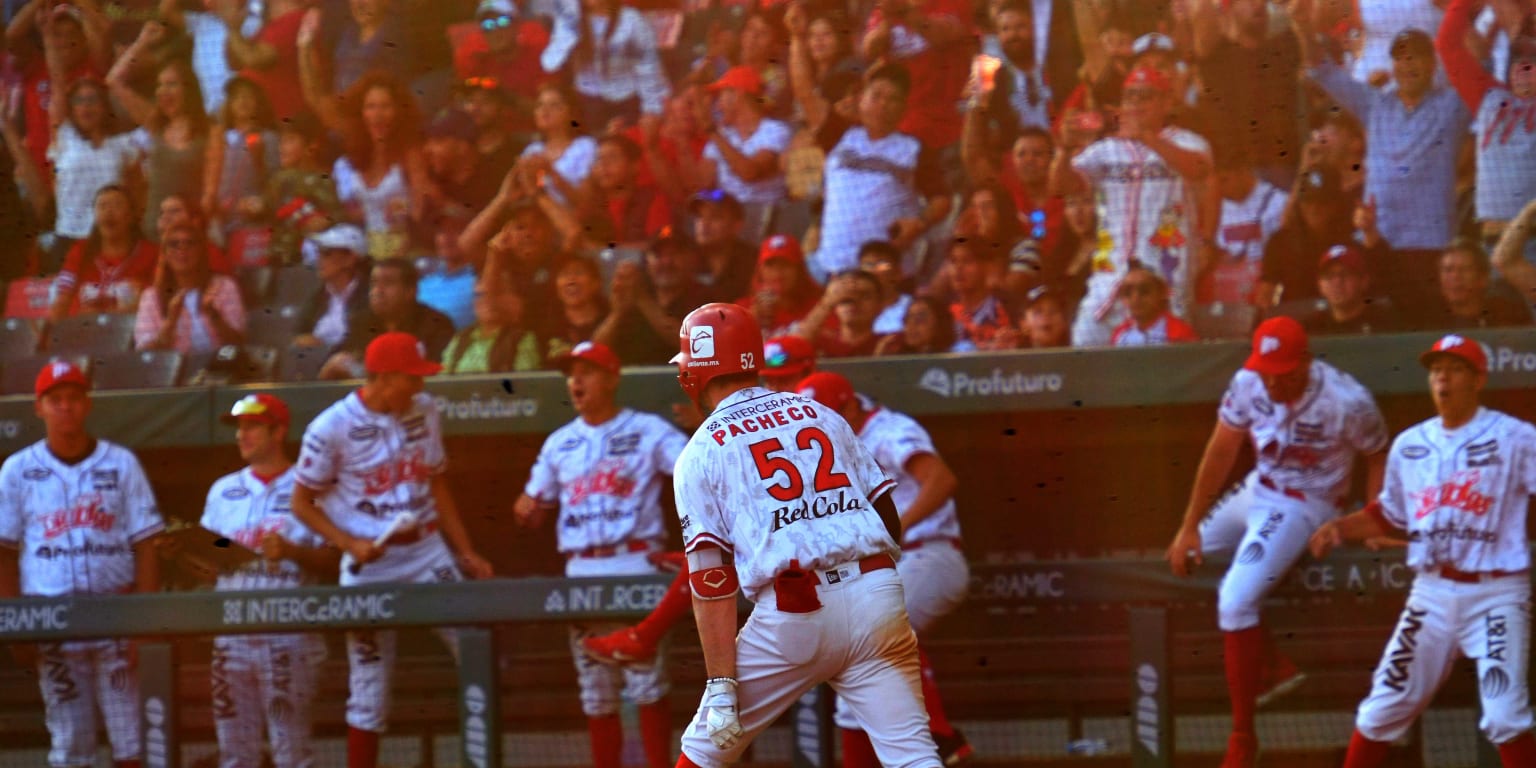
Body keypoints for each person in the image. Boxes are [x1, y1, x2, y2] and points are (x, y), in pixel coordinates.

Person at [667, 301, 941, 768]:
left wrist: (721, 683)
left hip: (796, 613)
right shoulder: (821, 414)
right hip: (878, 596)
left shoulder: (700, 450)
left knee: (702, 756)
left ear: (700, 368)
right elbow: (887, 518)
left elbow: (711, 581)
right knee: (914, 757)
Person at [1165, 316, 1389, 768]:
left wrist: (1372, 519)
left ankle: (1243, 736)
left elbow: (1377, 453)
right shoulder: (1249, 381)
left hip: (1307, 503)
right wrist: (1188, 524)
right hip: (1259, 486)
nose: (1272, 381)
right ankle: (1271, 664)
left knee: (1233, 601)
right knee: (1188, 556)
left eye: (1283, 372)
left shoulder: (1347, 399)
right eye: (1267, 370)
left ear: (1304, 362)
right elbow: (1222, 448)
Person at [1309, 334, 1536, 766]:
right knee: (1383, 706)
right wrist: (1340, 526)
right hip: (1431, 593)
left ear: (1478, 379)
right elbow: (1391, 515)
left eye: (1454, 370)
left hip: (1497, 593)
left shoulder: (1515, 438)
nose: (1442, 379)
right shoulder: (1409, 445)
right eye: (1435, 371)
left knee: (1505, 714)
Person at [290, 332, 493, 768]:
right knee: (368, 688)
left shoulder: (425, 409)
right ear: (382, 377)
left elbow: (437, 481)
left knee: (475, 646)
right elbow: (300, 502)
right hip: (371, 563)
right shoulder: (330, 427)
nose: (420, 386)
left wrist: (466, 550)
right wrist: (347, 542)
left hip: (426, 551)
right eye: (411, 378)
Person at [513, 341, 687, 768]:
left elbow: (692, 468)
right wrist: (526, 508)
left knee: (646, 681)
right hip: (582, 566)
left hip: (634, 560)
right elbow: (531, 507)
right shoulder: (559, 443)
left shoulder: (646, 429)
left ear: (611, 378)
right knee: (595, 688)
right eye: (572, 373)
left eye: (587, 371)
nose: (576, 380)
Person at [795, 371, 973, 767]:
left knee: (872, 629)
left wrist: (895, 528)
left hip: (929, 554)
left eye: (829, 415)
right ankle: (934, 742)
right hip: (884, 567)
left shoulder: (889, 428)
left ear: (851, 406)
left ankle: (941, 736)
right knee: (855, 672)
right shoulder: (827, 444)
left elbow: (941, 480)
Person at [0, 360, 164, 768]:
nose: (65, 407)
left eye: (73, 398)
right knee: (72, 747)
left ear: (87, 404)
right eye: (55, 400)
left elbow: (147, 544)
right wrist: (14, 623)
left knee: (132, 742)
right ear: (38, 408)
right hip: (54, 625)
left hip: (118, 622)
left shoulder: (121, 463)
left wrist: (142, 624)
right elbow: (3, 553)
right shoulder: (17, 471)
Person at [201, 393, 336, 768]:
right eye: (239, 427)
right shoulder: (221, 491)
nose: (242, 435)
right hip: (232, 636)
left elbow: (335, 558)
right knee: (234, 754)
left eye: (252, 427)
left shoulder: (309, 488)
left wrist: (293, 551)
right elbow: (210, 565)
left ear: (278, 432)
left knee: (290, 752)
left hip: (288, 634)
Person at [1298, 17, 1470, 310]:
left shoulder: (1452, 106)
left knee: (1427, 322)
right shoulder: (1375, 104)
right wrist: (1300, 23)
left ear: (1432, 64)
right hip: (1377, 238)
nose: (1409, 65)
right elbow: (1323, 70)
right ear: (1393, 65)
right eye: (1401, 58)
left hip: (1430, 243)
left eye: (1417, 57)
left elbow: (1481, 70)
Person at [1051, 64, 1211, 347]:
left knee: (1165, 373)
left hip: (1166, 284)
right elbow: (1061, 187)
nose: (1136, 103)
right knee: (1085, 358)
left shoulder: (1188, 141)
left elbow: (1199, 170)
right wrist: (1063, 149)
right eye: (1130, 96)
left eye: (1145, 96)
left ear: (1166, 102)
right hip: (1109, 284)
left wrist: (1147, 138)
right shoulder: (1106, 149)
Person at [813, 63, 951, 280]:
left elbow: (942, 200)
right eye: (876, 96)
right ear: (861, 99)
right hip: (833, 267)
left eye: (893, 99)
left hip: (886, 273)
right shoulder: (838, 134)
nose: (883, 104)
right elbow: (808, 98)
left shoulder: (914, 148)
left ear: (904, 108)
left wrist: (920, 223)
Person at [1437, 0, 1536, 237]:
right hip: (1490, 238)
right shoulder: (1487, 95)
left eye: (1533, 61)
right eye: (1518, 56)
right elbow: (1447, 44)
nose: (1523, 64)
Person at [106, 26, 210, 241]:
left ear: (188, 88)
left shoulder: (207, 130)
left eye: (171, 84)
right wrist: (141, 42)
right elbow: (113, 80)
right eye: (160, 85)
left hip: (191, 234)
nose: (163, 91)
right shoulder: (155, 123)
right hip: (153, 230)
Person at [321, 260, 457, 380]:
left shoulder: (436, 324)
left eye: (388, 283)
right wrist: (334, 365)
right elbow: (335, 362)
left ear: (411, 291)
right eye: (374, 283)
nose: (377, 291)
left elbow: (438, 375)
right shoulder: (361, 322)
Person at [594, 231, 711, 365]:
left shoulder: (706, 299)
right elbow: (596, 350)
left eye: (676, 254)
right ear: (646, 262)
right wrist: (617, 314)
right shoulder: (632, 295)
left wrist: (643, 301)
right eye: (658, 255)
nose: (667, 262)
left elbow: (698, 348)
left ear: (692, 260)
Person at [132, 222, 247, 354]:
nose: (182, 249)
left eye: (189, 243)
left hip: (218, 368)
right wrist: (170, 322)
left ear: (200, 251)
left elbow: (239, 343)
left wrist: (214, 316)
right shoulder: (151, 296)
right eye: (174, 244)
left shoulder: (225, 286)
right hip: (174, 371)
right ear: (165, 254)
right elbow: (144, 353)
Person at [49, 185, 158, 322]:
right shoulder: (80, 250)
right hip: (84, 331)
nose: (108, 211)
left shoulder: (151, 253)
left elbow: (156, 304)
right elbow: (62, 296)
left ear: (131, 216)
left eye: (117, 205)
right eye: (102, 206)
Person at [699, 65, 792, 205]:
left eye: (721, 96)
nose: (718, 106)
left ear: (737, 94)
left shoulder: (775, 130)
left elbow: (749, 173)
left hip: (766, 219)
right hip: (729, 216)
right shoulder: (723, 135)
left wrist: (713, 133)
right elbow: (704, 185)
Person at [294, 224, 371, 351]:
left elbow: (362, 341)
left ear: (350, 259)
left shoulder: (368, 296)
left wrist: (322, 344)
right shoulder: (318, 297)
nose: (319, 259)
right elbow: (298, 332)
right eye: (319, 253)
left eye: (326, 253)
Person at [1427, 239, 1534, 330]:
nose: (1455, 276)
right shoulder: (1429, 321)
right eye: (1448, 270)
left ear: (1484, 278)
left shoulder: (1507, 313)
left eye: (1465, 269)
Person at [1302, 244, 1402, 336]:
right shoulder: (1312, 328)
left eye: (1345, 274)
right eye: (1329, 276)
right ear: (1319, 284)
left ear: (1364, 281)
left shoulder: (1386, 323)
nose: (1337, 282)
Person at [792, 270, 883, 358]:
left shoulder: (888, 342)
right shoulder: (821, 342)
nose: (854, 301)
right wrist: (827, 303)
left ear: (879, 305)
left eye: (864, 296)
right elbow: (786, 353)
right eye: (845, 297)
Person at [1109, 263, 1198, 347]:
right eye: (1128, 292)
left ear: (1161, 293)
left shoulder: (1181, 333)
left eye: (1144, 291)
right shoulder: (1119, 335)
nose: (1135, 298)